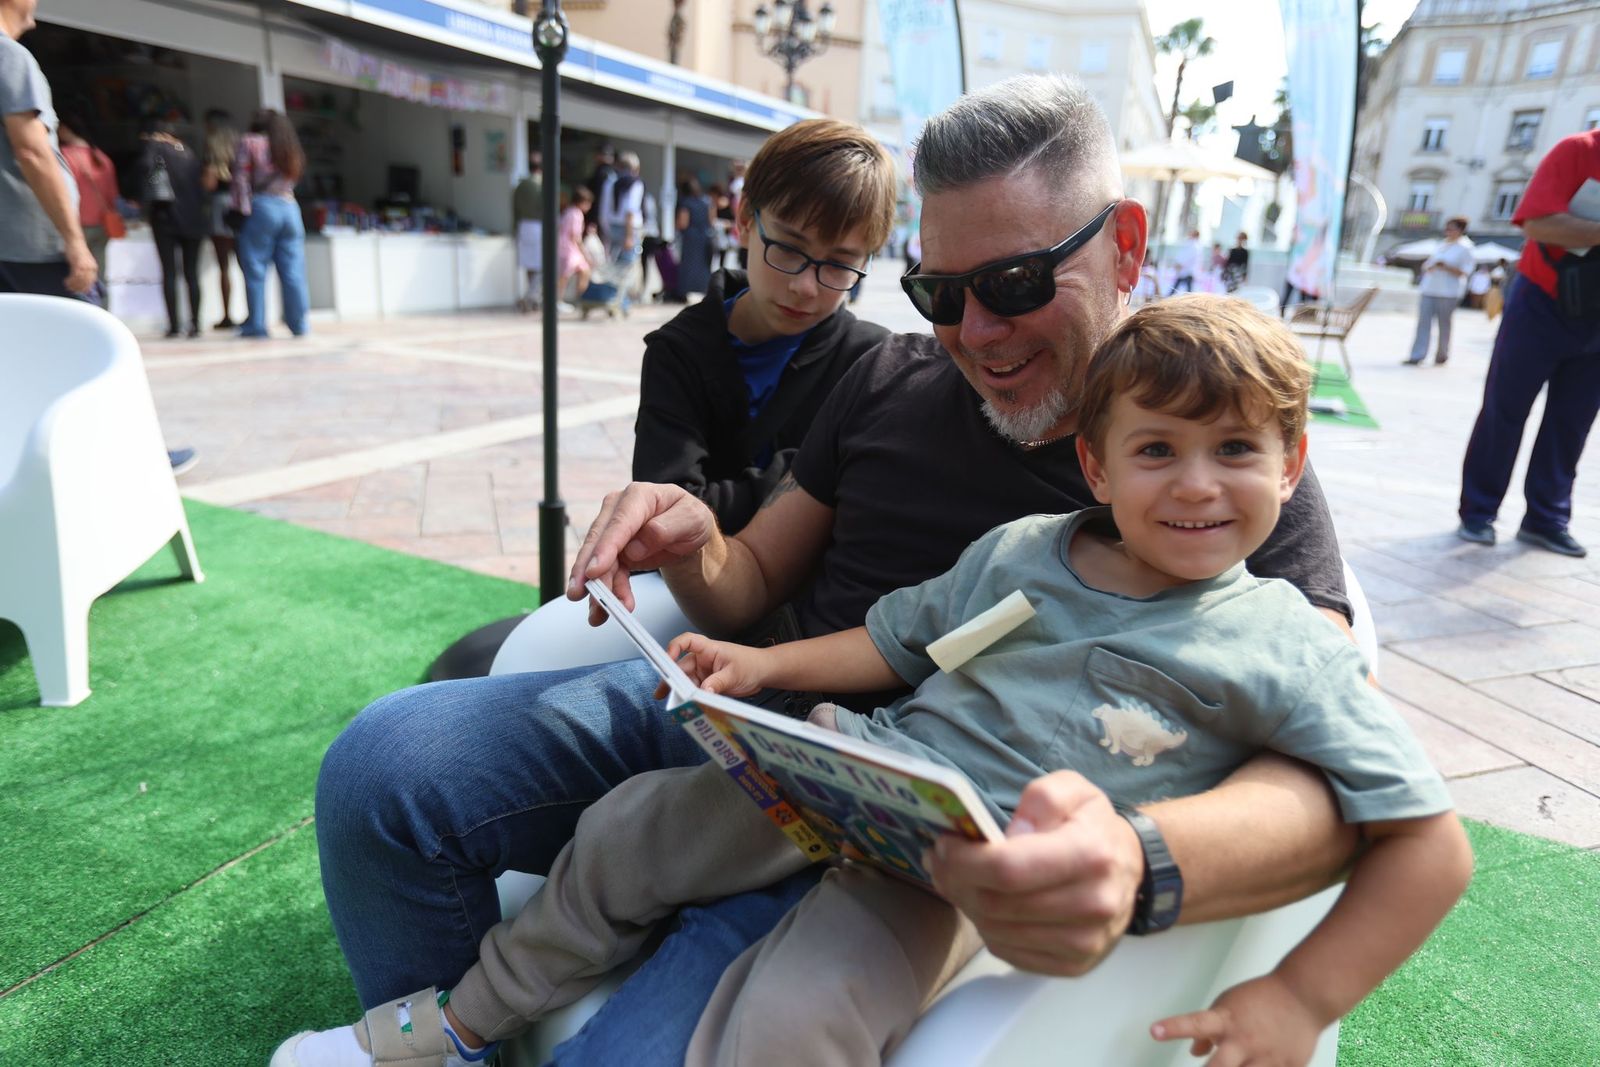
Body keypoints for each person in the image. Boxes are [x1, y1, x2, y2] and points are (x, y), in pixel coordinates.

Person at [290, 75, 1359, 1066]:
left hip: (902, 838)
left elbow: (1329, 762)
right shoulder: (885, 374)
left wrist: (1140, 852)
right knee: (381, 768)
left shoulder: (1211, 464)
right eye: (940, 290)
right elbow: (748, 576)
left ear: (1124, 246)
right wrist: (689, 535)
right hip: (734, 709)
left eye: (1017, 282)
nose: (975, 332)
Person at [635, 118, 895, 533]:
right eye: (789, 249)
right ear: (744, 221)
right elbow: (665, 512)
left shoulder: (875, 363)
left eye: (840, 264)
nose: (805, 286)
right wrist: (825, 476)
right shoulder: (679, 351)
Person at [1457, 127, 1600, 557]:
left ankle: (1546, 519)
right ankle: (1478, 512)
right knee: (1506, 408)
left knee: (1572, 422)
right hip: (1542, 301)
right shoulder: (1579, 150)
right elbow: (1537, 222)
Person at [0, 0, 96, 299]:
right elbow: (32, 152)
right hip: (30, 249)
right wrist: (74, 241)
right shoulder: (10, 57)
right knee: (85, 339)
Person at [232, 108, 309, 338]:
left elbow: (240, 178)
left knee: (255, 269)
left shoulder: (250, 142)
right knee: (294, 271)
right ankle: (299, 324)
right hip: (290, 208)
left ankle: (256, 325)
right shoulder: (290, 147)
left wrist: (240, 210)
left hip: (262, 207)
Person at [136, 121, 206, 339]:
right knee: (192, 274)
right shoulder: (190, 153)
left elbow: (144, 168)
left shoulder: (156, 149)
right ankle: (196, 324)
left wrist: (150, 145)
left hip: (166, 218)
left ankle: (174, 325)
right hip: (194, 219)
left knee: (169, 272)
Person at [57, 113, 118, 299]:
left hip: (75, 225)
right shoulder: (101, 157)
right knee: (99, 275)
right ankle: (103, 316)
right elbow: (113, 196)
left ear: (66, 129)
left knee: (74, 277)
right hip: (101, 225)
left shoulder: (63, 156)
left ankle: (79, 318)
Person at [1402, 215, 1473, 366]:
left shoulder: (1465, 248)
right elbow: (1427, 265)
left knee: (1444, 324)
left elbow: (1466, 272)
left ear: (1460, 230)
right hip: (1430, 288)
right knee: (1423, 323)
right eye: (1447, 227)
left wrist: (1446, 267)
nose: (1448, 231)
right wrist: (1432, 267)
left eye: (1451, 228)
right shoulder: (1441, 245)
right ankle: (1417, 355)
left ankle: (1442, 354)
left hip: (1449, 291)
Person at [200, 108, 240, 329]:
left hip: (220, 206)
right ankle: (255, 314)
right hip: (241, 206)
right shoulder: (241, 149)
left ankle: (227, 315)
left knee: (223, 265)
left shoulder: (213, 151)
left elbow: (209, 184)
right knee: (246, 264)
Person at [599, 150, 644, 306]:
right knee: (626, 267)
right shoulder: (635, 183)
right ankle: (619, 302)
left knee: (613, 266)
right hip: (628, 230)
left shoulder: (610, 182)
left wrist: (606, 231)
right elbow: (630, 211)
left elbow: (603, 211)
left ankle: (611, 298)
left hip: (612, 228)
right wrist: (630, 236)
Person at [671, 175, 715, 299]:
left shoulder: (686, 203)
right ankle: (704, 290)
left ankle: (683, 292)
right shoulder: (707, 201)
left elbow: (683, 223)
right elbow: (712, 221)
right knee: (704, 266)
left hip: (690, 238)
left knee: (688, 266)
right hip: (705, 237)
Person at [512, 149, 542, 312]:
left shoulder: (521, 185)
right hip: (539, 226)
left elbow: (514, 210)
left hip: (524, 226)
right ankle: (531, 296)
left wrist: (514, 229)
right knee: (542, 265)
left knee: (530, 265)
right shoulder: (542, 185)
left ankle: (533, 297)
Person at [556, 185, 593, 306]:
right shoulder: (577, 214)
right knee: (564, 276)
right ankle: (575, 299)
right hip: (569, 249)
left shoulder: (568, 211)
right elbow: (575, 237)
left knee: (580, 272)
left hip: (564, 248)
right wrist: (585, 253)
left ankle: (576, 299)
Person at [582, 142, 615, 243]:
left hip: (600, 219)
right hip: (610, 219)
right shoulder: (612, 173)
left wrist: (592, 220)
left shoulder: (602, 173)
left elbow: (597, 198)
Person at [1168, 228, 1203, 295]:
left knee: (1185, 289)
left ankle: (1169, 297)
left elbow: (1188, 258)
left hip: (1188, 270)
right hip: (1185, 270)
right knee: (1183, 288)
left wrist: (1180, 264)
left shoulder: (1194, 246)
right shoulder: (1192, 244)